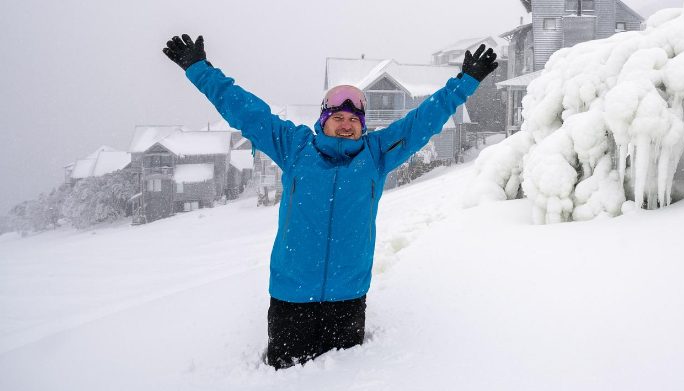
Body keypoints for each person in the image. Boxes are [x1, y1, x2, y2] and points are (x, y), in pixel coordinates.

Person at [163, 34, 498, 369]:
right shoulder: (294, 148)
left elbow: (423, 121)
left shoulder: (376, 153)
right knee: (285, 376)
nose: (346, 124)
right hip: (292, 294)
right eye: (338, 117)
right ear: (324, 120)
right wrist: (199, 70)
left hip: (348, 295)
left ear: (362, 126)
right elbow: (247, 112)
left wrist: (464, 83)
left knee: (345, 376)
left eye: (354, 120)